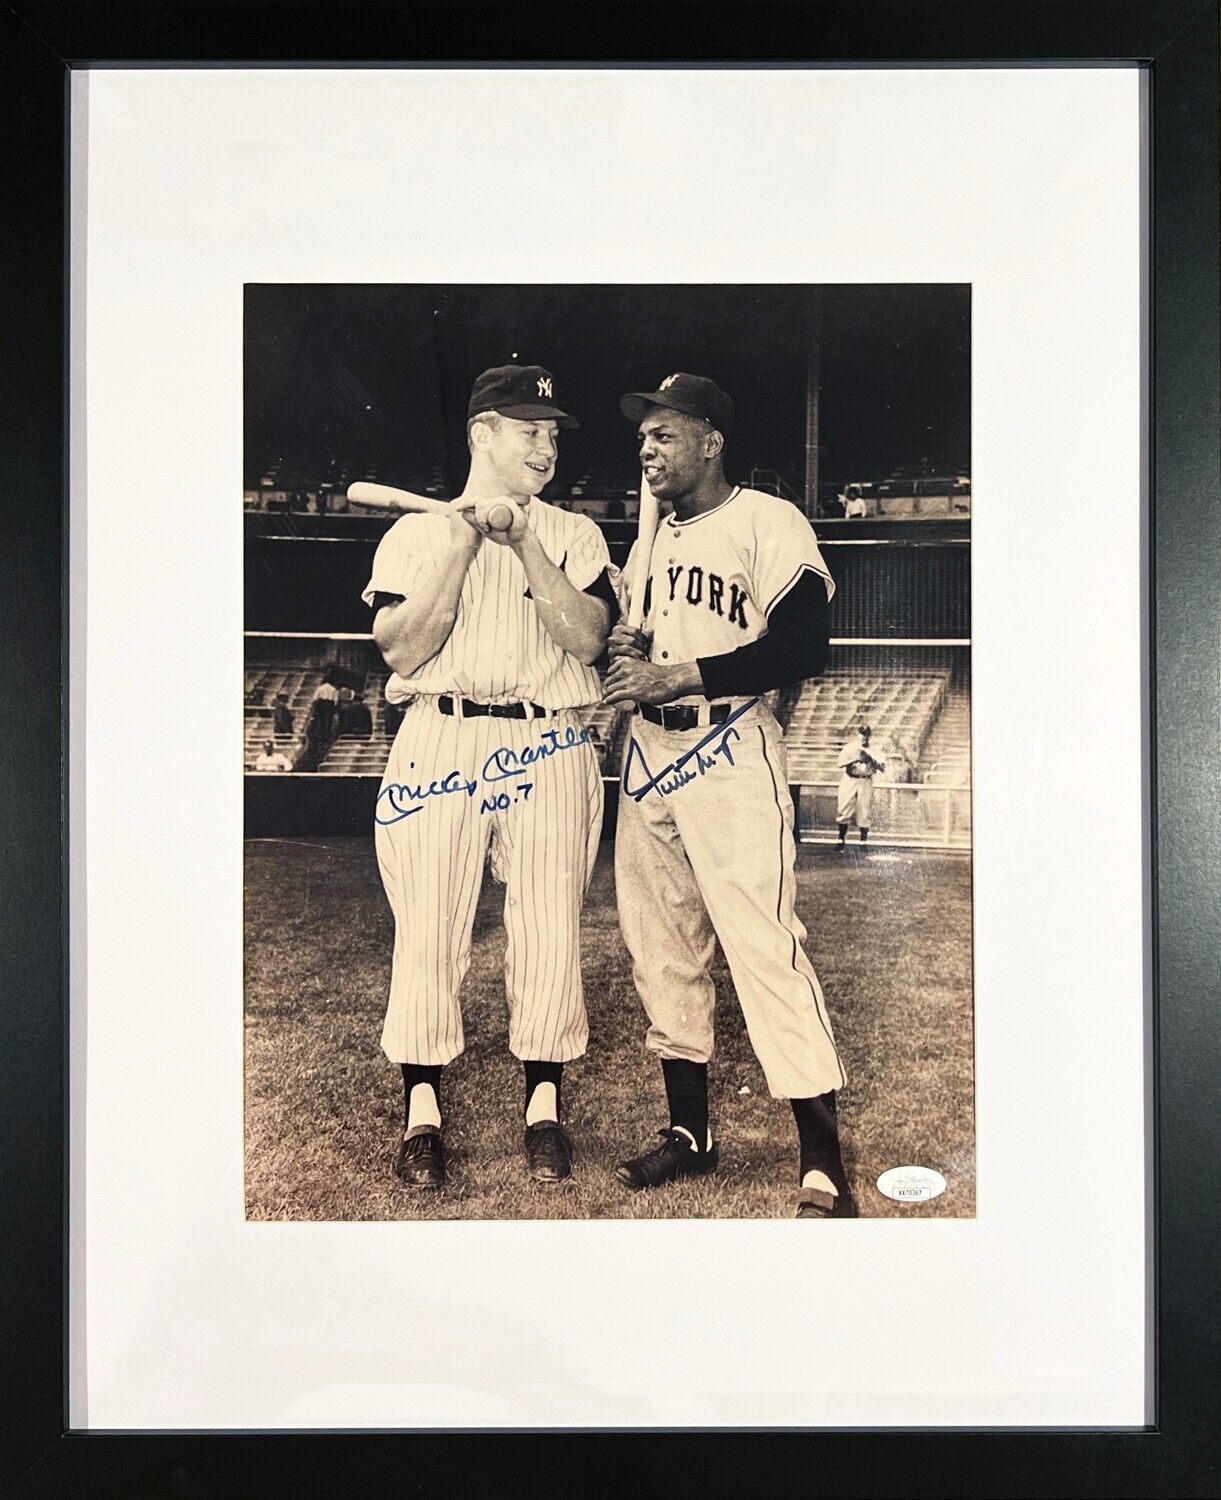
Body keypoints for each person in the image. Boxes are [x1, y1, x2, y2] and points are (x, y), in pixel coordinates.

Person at [604, 372, 855, 1220]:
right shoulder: (648, 543)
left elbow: (805, 645)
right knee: (660, 946)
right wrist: (628, 643)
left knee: (761, 943)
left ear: (711, 440)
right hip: (649, 749)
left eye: (665, 434)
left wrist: (682, 669)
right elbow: (635, 637)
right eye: (642, 437)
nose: (648, 449)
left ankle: (821, 1159)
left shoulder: (766, 519)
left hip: (725, 742)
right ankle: (689, 1134)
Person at [363, 365, 617, 1191]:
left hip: (549, 742)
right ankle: (422, 1114)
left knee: (547, 925)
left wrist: (524, 543)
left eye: (553, 432)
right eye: (529, 429)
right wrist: (468, 540)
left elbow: (585, 640)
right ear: (482, 435)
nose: (547, 445)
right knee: (428, 925)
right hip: (440, 736)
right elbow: (402, 649)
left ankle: (543, 1106)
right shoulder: (413, 535)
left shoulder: (576, 533)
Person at [836, 724, 885, 846]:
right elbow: (839, 763)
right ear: (858, 734)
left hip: (865, 780)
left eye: (867, 734)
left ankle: (863, 842)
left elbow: (882, 768)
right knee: (844, 808)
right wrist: (855, 759)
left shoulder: (875, 749)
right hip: (850, 779)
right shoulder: (850, 747)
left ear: (870, 736)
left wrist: (871, 760)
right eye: (862, 734)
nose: (865, 737)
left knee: (865, 810)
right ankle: (841, 840)